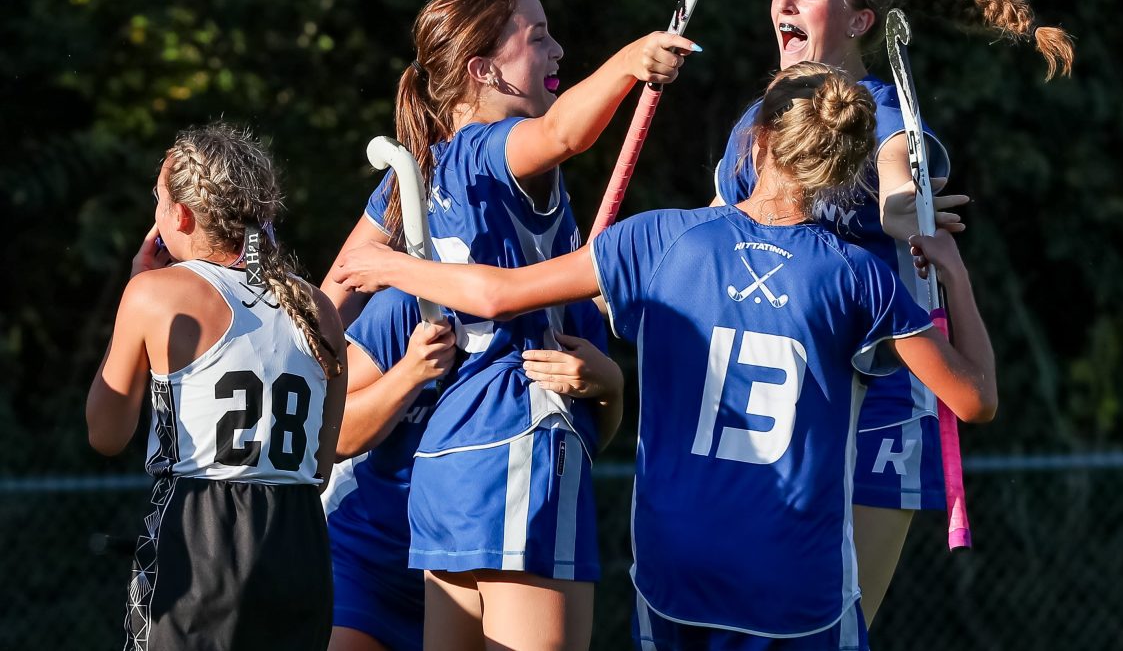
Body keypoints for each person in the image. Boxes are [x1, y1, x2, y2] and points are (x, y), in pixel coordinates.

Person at [333, 62, 998, 650]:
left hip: (675, 570)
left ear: (757, 141)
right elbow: (975, 399)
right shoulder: (860, 277)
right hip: (796, 577)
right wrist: (953, 275)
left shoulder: (660, 239)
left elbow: (498, 294)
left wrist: (391, 265)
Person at [711, 0, 1074, 623]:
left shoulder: (882, 115)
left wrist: (902, 211)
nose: (783, 4)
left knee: (830, 625)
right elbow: (712, 233)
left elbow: (896, 172)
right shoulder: (752, 126)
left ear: (859, 19)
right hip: (771, 402)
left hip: (874, 411)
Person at [328, 0, 692, 650]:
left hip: (447, 467)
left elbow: (331, 296)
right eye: (538, 37)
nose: (557, 52)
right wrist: (627, 62)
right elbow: (560, 134)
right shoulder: (488, 150)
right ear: (482, 70)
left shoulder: (421, 170)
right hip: (517, 447)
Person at [86, 122, 348, 651]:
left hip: (200, 534)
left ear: (180, 215)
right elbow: (320, 464)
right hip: (300, 543)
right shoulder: (316, 307)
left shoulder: (155, 293)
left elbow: (105, 434)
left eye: (157, 200)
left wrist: (137, 286)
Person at [323, 288, 620, 651]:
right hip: (372, 564)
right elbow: (331, 435)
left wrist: (612, 389)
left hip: (482, 559)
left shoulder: (562, 314)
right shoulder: (407, 306)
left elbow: (585, 446)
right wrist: (409, 374)